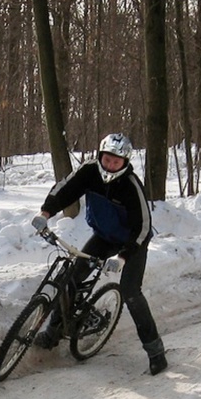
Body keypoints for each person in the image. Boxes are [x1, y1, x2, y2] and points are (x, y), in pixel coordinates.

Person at [30, 133, 167, 375]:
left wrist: (123, 257)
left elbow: (143, 228)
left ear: (125, 162)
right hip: (104, 237)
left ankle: (155, 351)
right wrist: (45, 213)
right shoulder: (90, 171)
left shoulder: (131, 185)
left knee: (131, 292)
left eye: (116, 161)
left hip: (131, 244)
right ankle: (53, 333)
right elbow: (65, 190)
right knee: (71, 279)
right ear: (100, 156)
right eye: (107, 159)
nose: (110, 165)